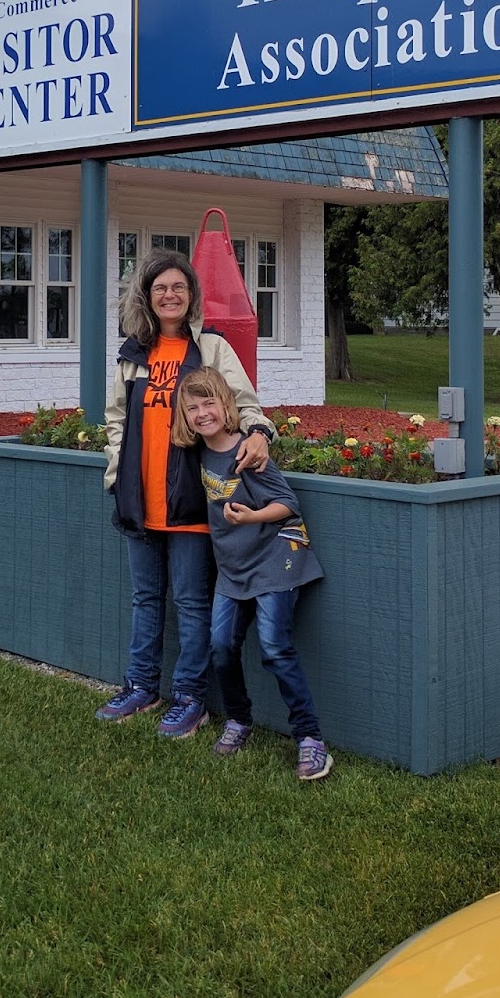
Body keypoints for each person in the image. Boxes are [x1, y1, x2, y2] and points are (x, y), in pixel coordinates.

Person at [99, 250, 275, 739]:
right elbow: (116, 417)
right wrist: (119, 468)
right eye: (160, 288)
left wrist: (259, 432)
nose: (169, 295)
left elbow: (245, 402)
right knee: (146, 597)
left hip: (193, 497)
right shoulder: (134, 353)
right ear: (148, 298)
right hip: (140, 497)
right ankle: (141, 685)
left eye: (178, 287)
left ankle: (190, 698)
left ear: (191, 296)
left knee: (193, 602)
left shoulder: (212, 349)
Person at [174, 367, 332, 782]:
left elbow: (288, 504)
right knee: (221, 645)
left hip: (274, 558)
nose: (202, 413)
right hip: (233, 566)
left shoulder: (249, 452)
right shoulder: (198, 454)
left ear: (227, 405)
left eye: (209, 403)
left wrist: (252, 517)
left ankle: (310, 738)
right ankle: (239, 720)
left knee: (275, 648)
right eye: (193, 408)